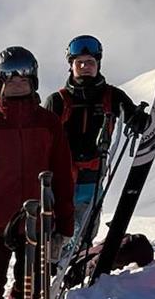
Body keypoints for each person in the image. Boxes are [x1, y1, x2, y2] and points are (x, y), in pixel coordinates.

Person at [0, 47, 77, 299]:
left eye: (23, 81)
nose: (16, 86)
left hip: (37, 220)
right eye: (10, 81)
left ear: (33, 82)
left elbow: (62, 174)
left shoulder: (49, 123)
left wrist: (65, 223)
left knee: (31, 283)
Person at [47, 35, 143, 231]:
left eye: (90, 62)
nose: (85, 66)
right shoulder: (57, 101)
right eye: (79, 62)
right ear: (71, 65)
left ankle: (81, 259)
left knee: (85, 234)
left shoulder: (112, 96)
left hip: (93, 176)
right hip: (61, 180)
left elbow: (137, 121)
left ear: (98, 64)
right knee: (59, 234)